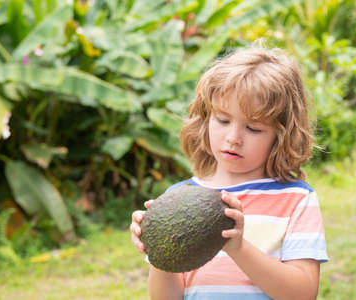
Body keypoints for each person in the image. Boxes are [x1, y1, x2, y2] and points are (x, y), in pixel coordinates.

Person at [130, 46, 328, 300]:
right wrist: (158, 249)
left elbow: (302, 294)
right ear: (206, 119)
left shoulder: (297, 201)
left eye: (253, 129)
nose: (233, 138)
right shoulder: (180, 197)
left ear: (281, 136)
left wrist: (238, 248)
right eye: (223, 121)